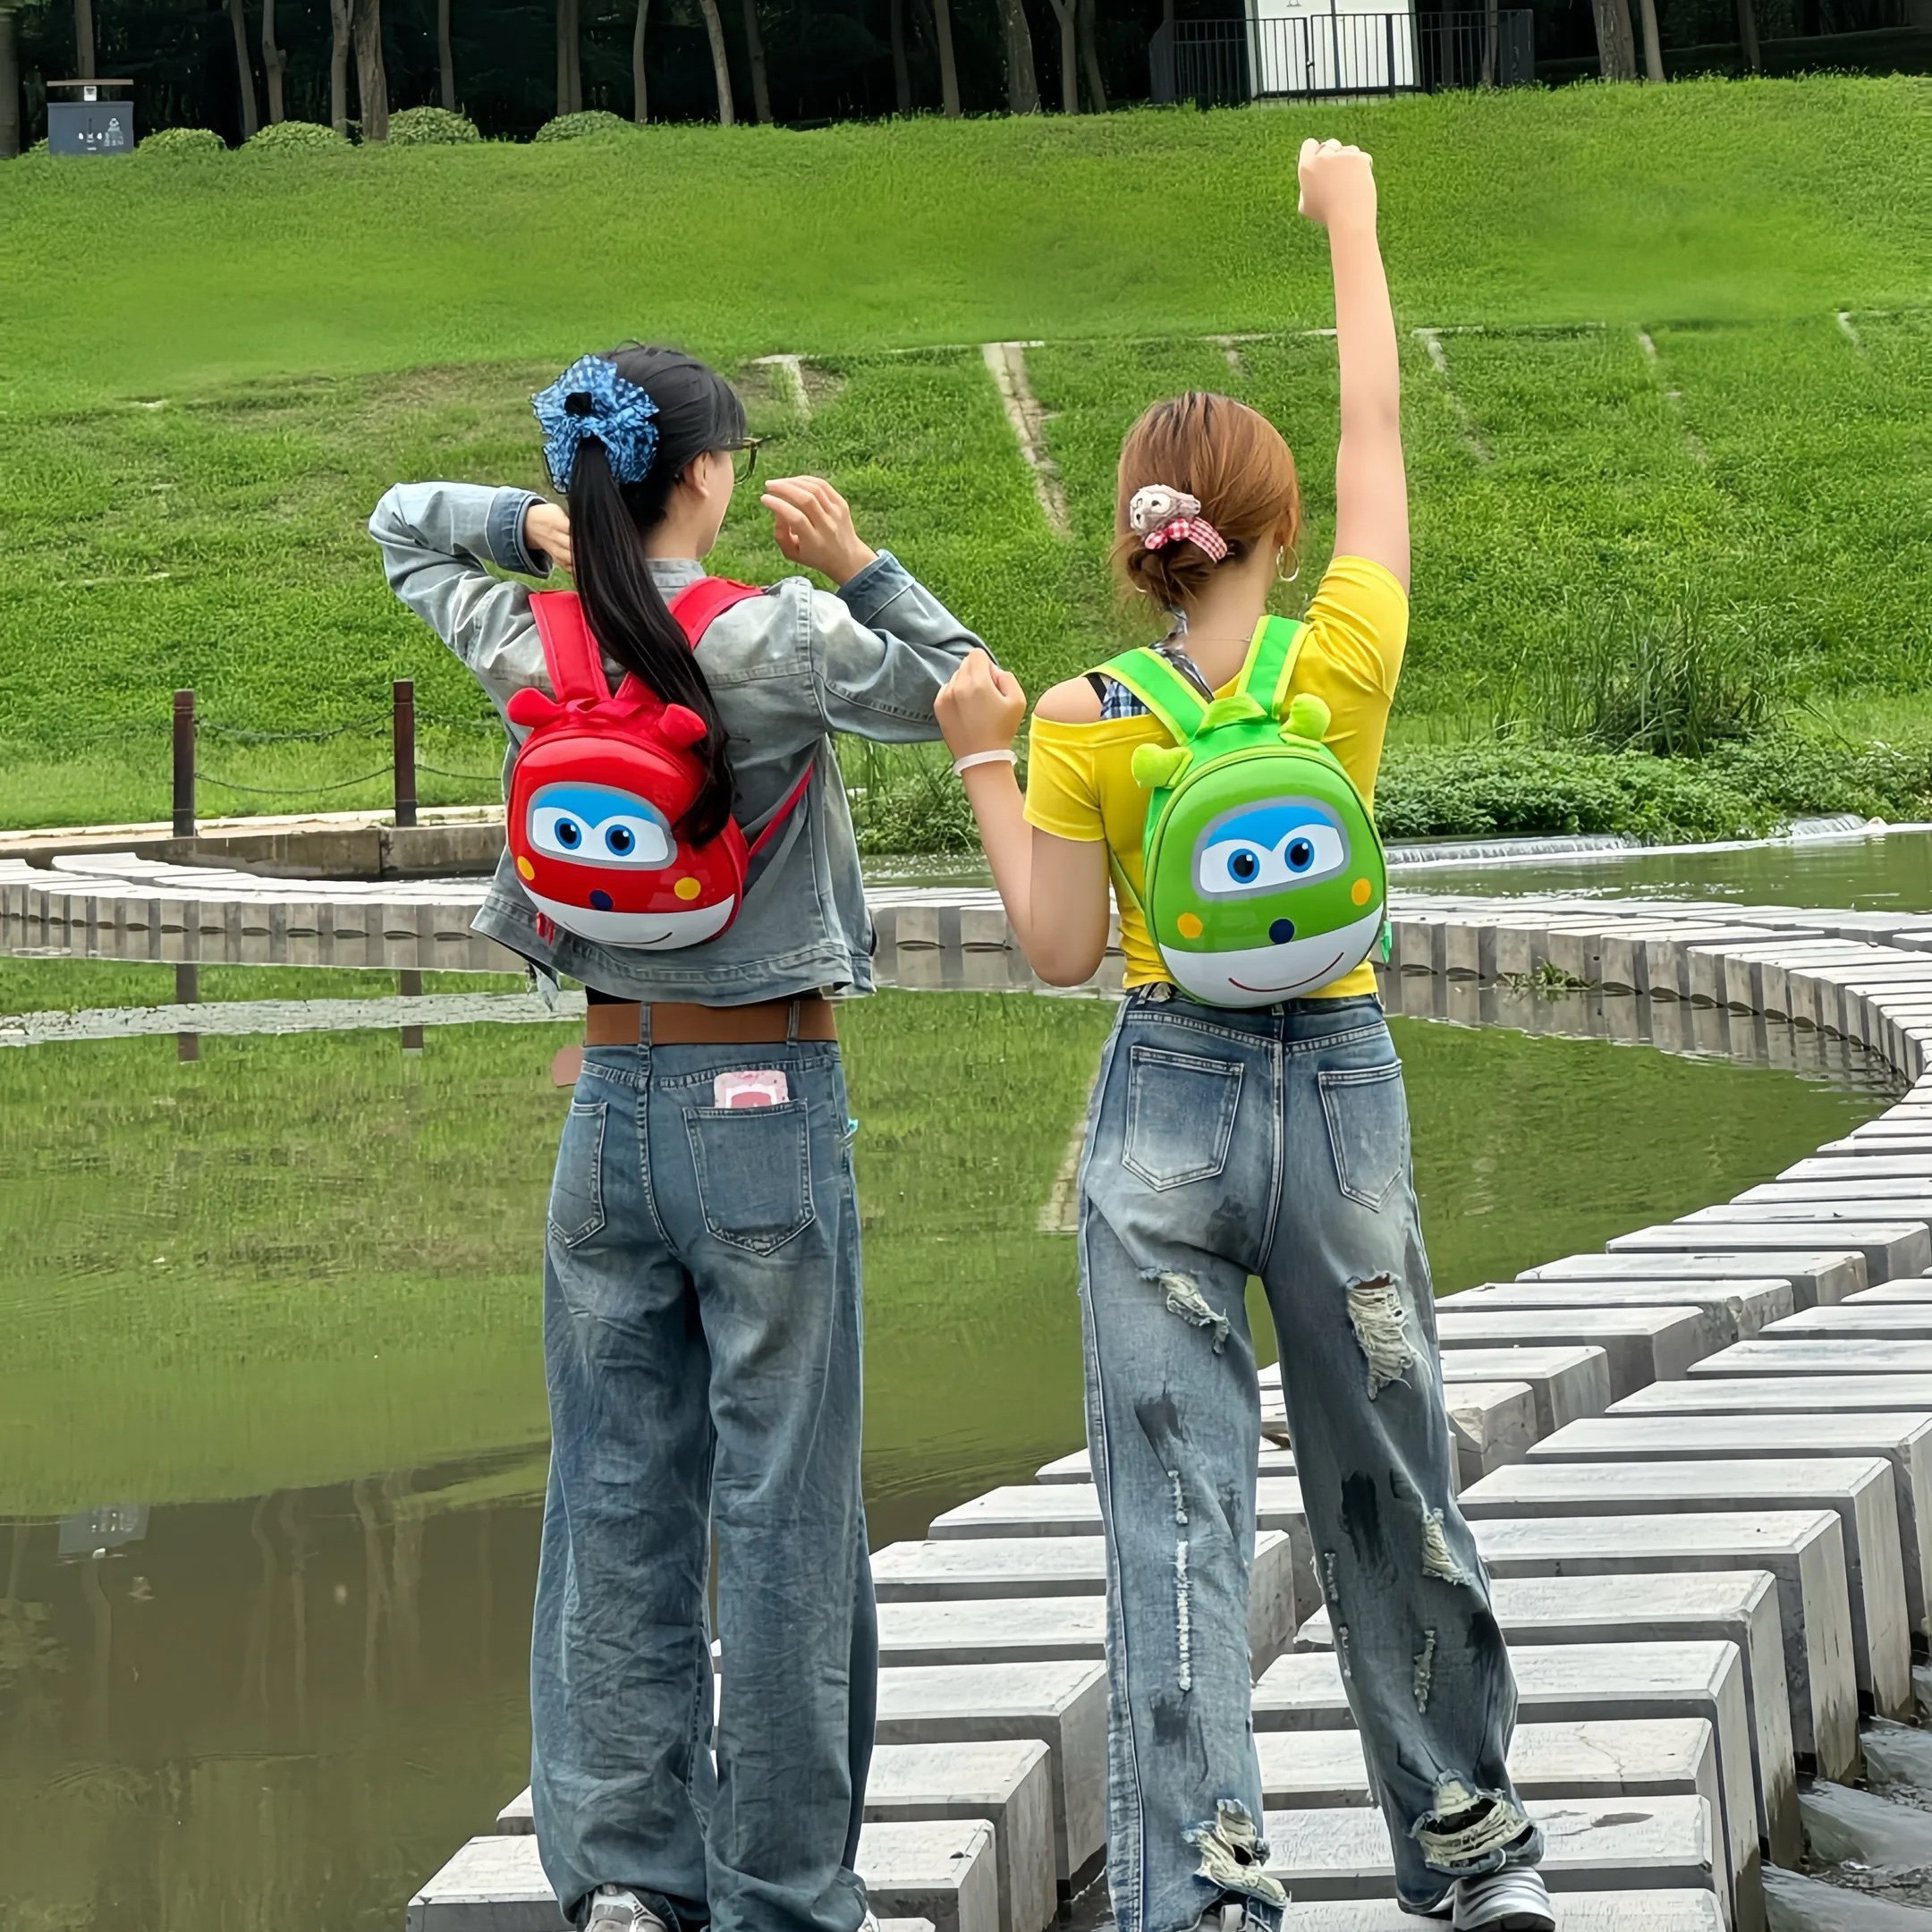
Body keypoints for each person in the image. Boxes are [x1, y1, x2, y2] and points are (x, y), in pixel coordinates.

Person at [930, 143, 1552, 1932]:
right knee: (1391, 1476)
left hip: (1164, 1107)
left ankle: (1207, 1892)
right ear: (1275, 536)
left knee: (1177, 1510)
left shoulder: (1085, 717)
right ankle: (1472, 1853)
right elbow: (1378, 434)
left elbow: (1061, 949)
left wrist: (986, 761)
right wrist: (1353, 221)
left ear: (1140, 551)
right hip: (1342, 1093)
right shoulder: (1342, 658)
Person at [369, 344, 986, 1932]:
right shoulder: (774, 637)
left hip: (605, 1114)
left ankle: (630, 1884)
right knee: (784, 1512)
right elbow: (965, 693)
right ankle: (783, 1893)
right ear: (707, 474)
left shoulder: (530, 639)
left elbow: (396, 526)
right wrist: (863, 564)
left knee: (612, 1500)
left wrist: (524, 527)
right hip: (767, 1104)